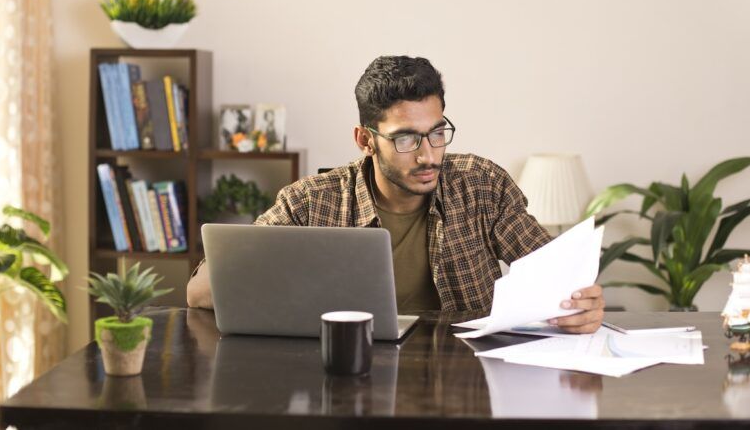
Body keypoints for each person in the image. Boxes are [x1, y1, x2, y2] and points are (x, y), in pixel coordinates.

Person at [188, 56, 604, 333]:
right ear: (364, 140)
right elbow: (199, 293)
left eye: (437, 133)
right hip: (351, 379)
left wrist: (583, 305)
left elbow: (559, 277)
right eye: (406, 138)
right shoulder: (311, 201)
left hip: (466, 379)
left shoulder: (481, 184)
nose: (427, 155)